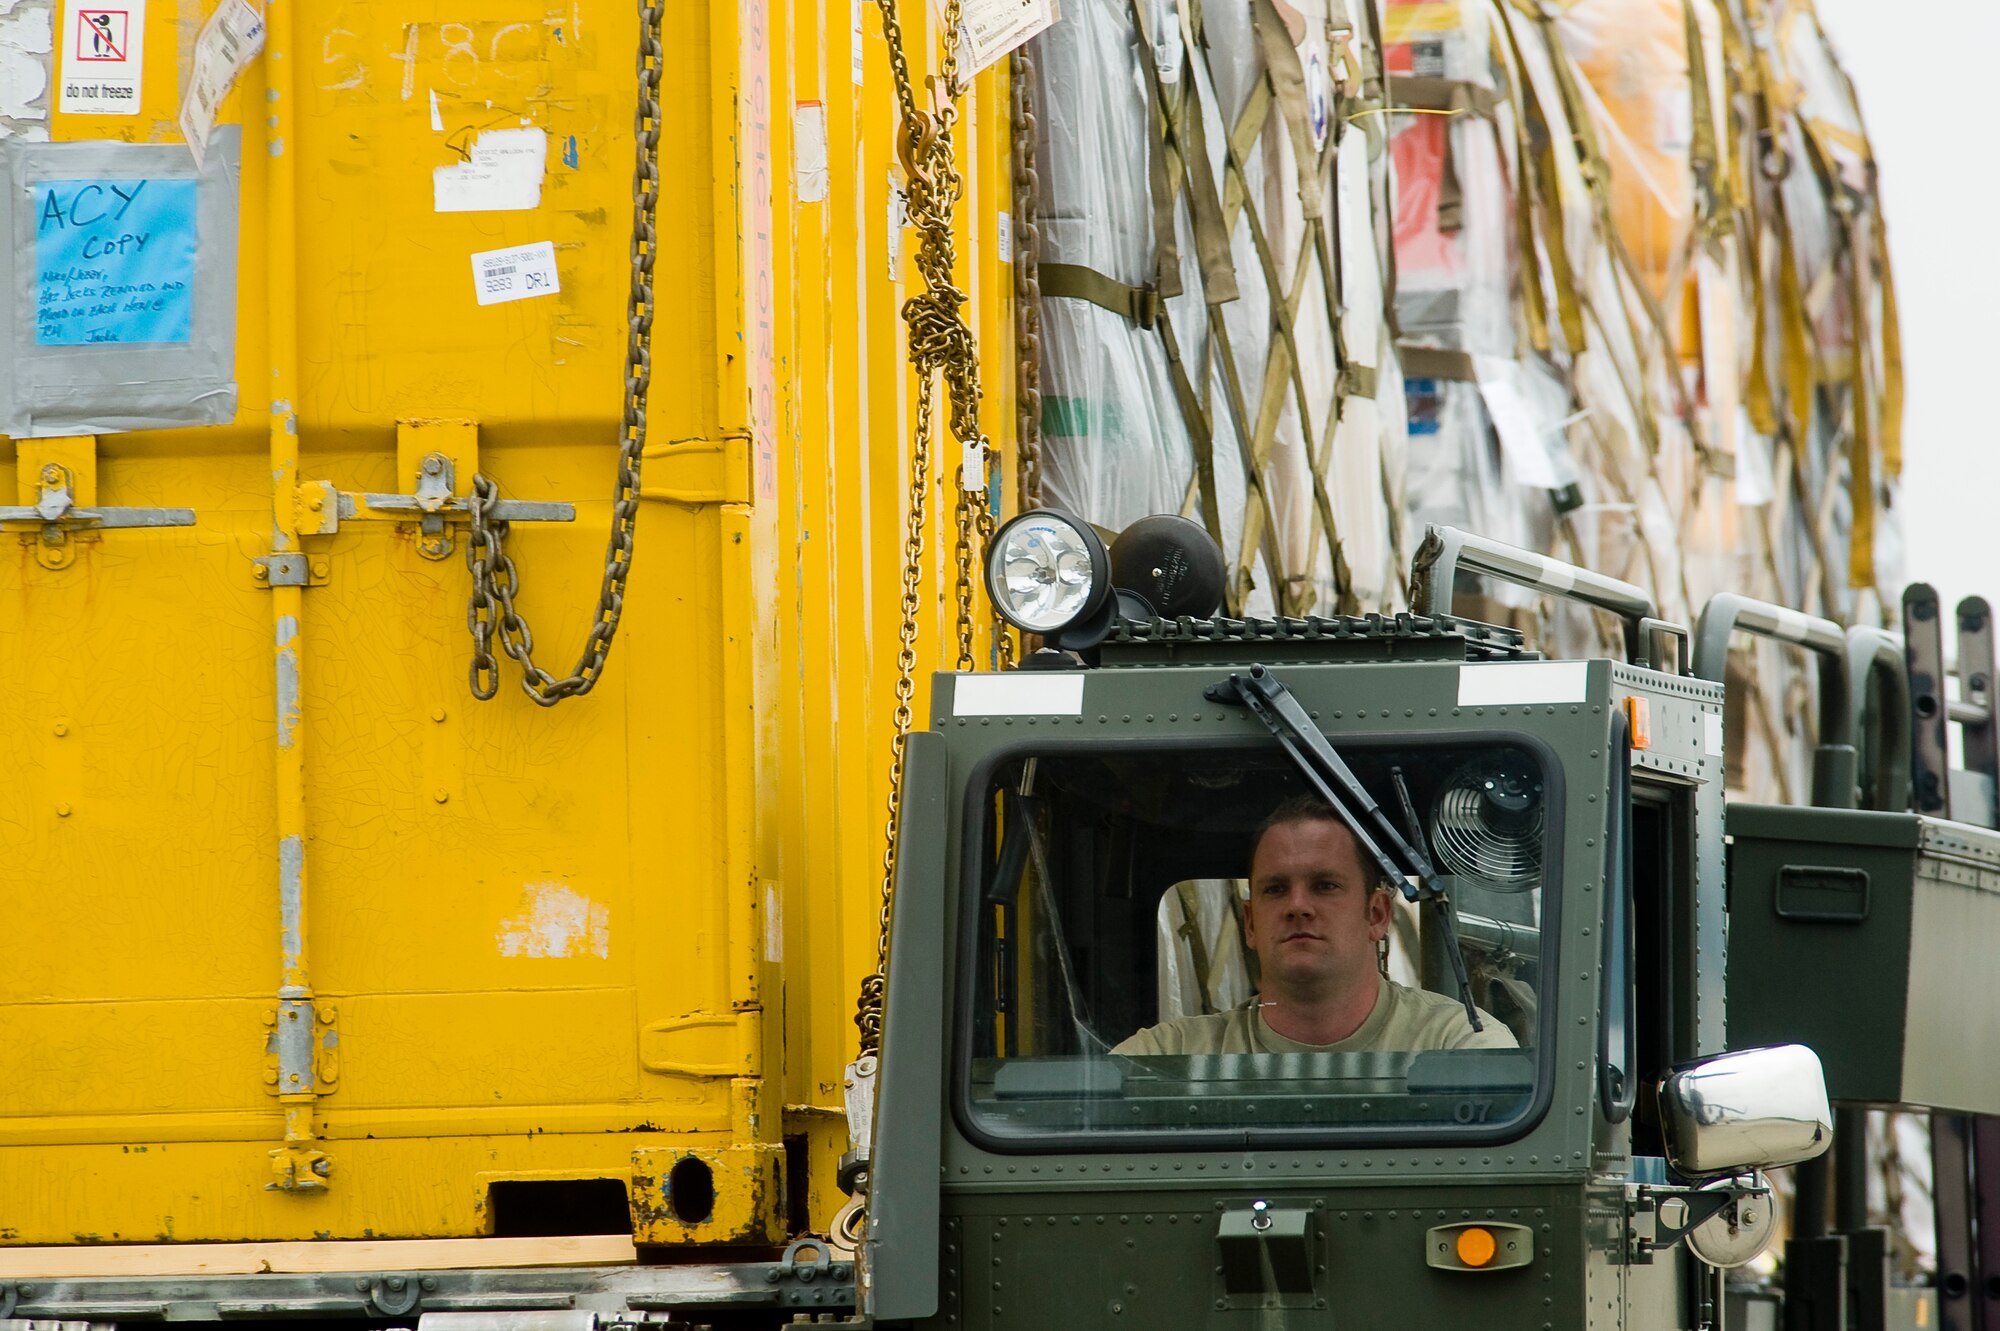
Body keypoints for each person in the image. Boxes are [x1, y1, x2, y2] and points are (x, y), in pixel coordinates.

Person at [1114, 795, 1516, 1054]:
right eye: (1275, 889)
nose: (1298, 906)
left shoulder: (1459, 1046)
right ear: (1250, 924)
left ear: (1376, 914)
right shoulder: (1168, 1055)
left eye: (1325, 886)